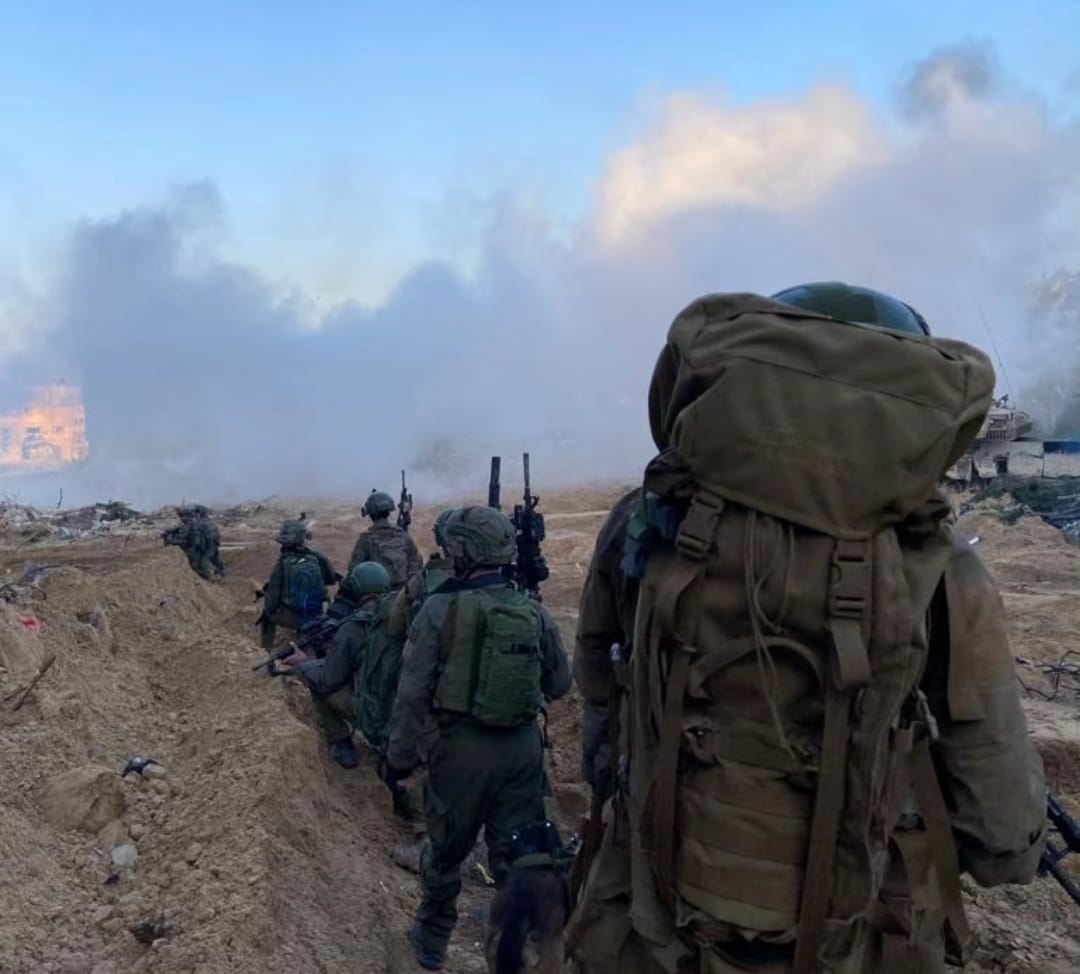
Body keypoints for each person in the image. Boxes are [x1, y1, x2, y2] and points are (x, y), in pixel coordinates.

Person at [567, 283, 1047, 974]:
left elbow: (598, 690)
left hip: (656, 918)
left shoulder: (644, 521)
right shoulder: (938, 566)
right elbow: (1000, 833)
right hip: (854, 937)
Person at [384, 505, 572, 971]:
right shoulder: (531, 609)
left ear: (464, 550)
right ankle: (513, 946)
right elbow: (560, 684)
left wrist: (399, 757)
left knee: (445, 852)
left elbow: (411, 693)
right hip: (523, 750)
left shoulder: (439, 609)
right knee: (518, 857)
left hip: (461, 749)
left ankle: (432, 940)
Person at [282, 561, 393, 769]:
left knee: (315, 680)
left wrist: (303, 663)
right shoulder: (405, 617)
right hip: (408, 715)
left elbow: (328, 679)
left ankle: (342, 744)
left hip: (375, 715)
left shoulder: (353, 628)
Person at [257, 517, 339, 651]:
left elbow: (272, 599)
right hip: (317, 615)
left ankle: (266, 649)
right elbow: (331, 580)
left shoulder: (283, 563)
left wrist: (270, 610)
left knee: (266, 615)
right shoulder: (318, 557)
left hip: (294, 618)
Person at [349, 489, 422, 592]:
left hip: (378, 593)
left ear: (370, 514)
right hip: (404, 592)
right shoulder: (403, 535)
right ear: (388, 512)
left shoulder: (365, 540)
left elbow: (354, 571)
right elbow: (416, 563)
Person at [162, 506, 222, 580]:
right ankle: (218, 572)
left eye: (181, 516)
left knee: (199, 563)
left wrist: (169, 539)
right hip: (208, 546)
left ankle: (210, 575)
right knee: (213, 560)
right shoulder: (201, 524)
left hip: (198, 548)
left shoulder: (189, 526)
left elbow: (181, 539)